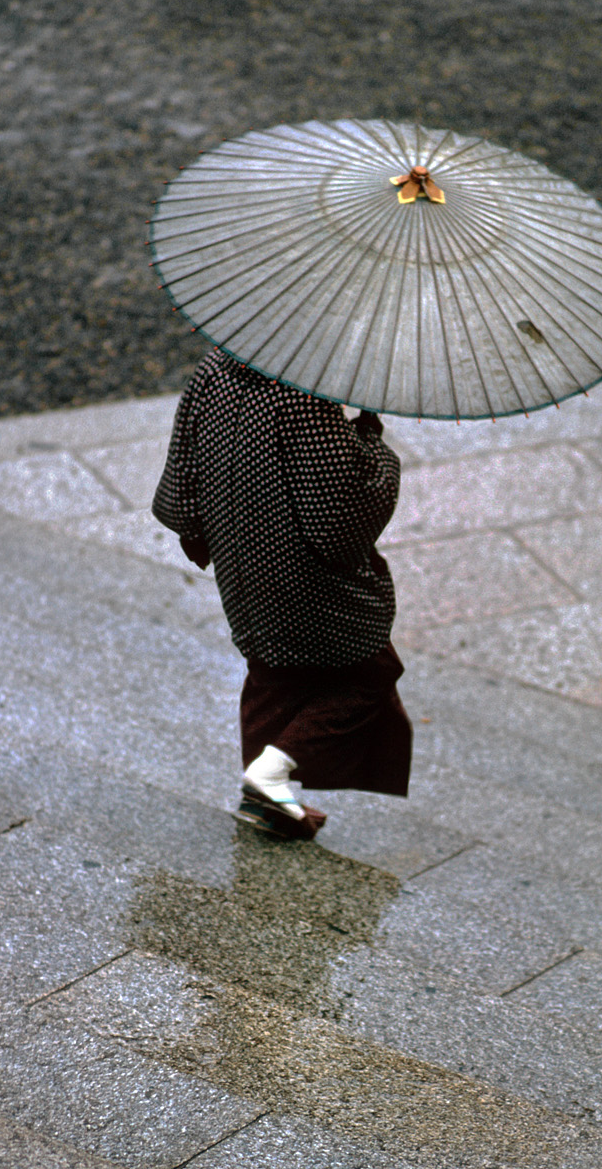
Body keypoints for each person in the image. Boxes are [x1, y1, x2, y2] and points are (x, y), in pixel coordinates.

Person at [152, 346, 412, 841]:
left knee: (270, 675)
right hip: (303, 576)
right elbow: (337, 520)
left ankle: (269, 803)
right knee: (368, 677)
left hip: (242, 564)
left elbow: (181, 485)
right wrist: (373, 446)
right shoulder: (300, 396)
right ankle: (272, 774)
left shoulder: (212, 368)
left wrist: (206, 534)